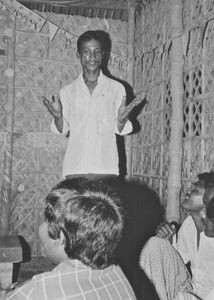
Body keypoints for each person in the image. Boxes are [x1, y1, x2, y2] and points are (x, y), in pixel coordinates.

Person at [7, 178, 136, 299]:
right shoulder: (117, 275)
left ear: (61, 236)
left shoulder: (35, 292)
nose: (42, 225)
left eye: (46, 219)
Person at [42, 30, 140, 179]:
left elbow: (120, 130)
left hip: (106, 168)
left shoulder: (116, 88)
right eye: (86, 52)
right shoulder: (67, 91)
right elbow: (62, 130)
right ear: (78, 55)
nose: (92, 57)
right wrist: (57, 117)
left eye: (97, 52)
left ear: (103, 55)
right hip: (75, 167)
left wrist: (120, 120)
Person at [140, 172, 214, 299]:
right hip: (189, 290)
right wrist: (168, 241)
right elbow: (178, 262)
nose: (189, 189)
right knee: (155, 244)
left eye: (196, 189)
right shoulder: (189, 225)